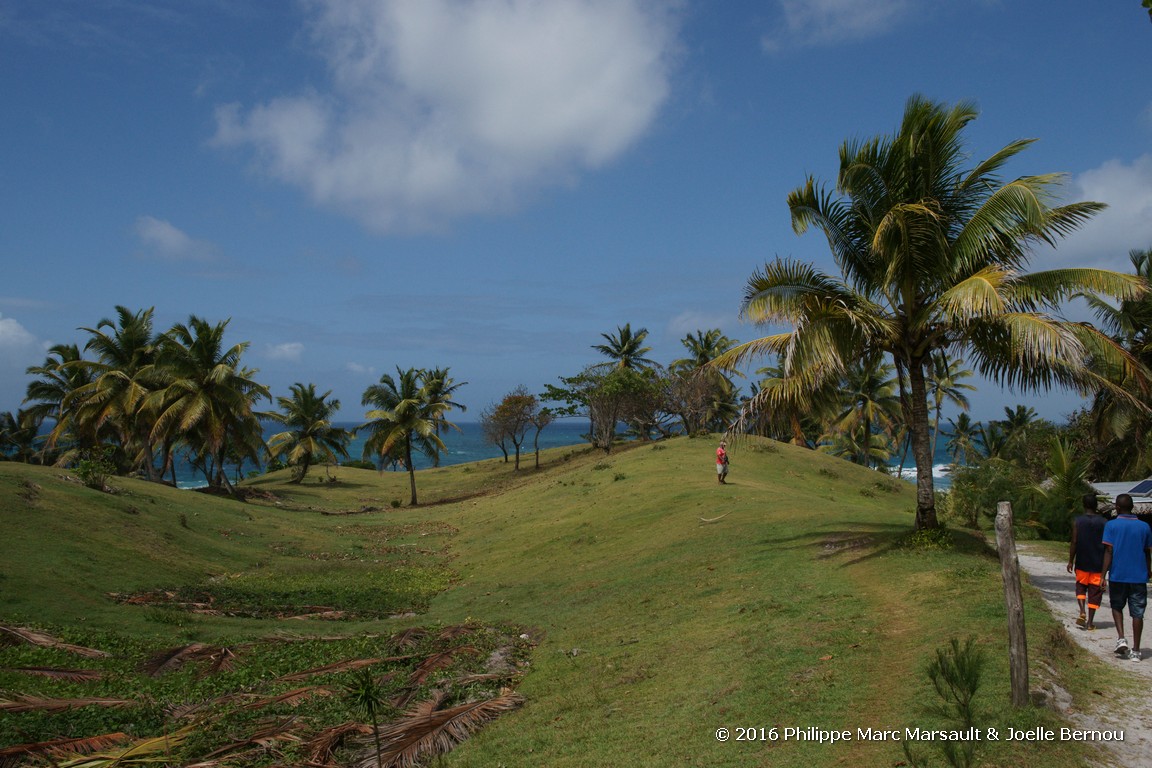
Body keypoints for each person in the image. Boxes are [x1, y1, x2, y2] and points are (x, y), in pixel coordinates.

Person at [1101, 493, 1152, 661]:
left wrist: (1103, 575)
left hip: (1118, 575)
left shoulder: (1112, 525)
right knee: (1137, 613)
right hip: (1139, 576)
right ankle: (1136, 651)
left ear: (1117, 507)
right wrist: (1148, 570)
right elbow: (1147, 552)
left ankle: (1121, 638)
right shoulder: (1145, 527)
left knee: (1117, 606)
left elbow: (1109, 551)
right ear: (1132, 507)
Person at [1066, 493, 1106, 630]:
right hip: (1098, 563)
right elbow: (1107, 545)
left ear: (1084, 505)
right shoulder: (1104, 522)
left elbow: (1074, 541)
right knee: (1095, 592)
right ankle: (1090, 623)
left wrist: (1071, 561)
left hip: (1082, 561)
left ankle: (1082, 611)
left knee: (1081, 586)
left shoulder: (1077, 521)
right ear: (1096, 506)